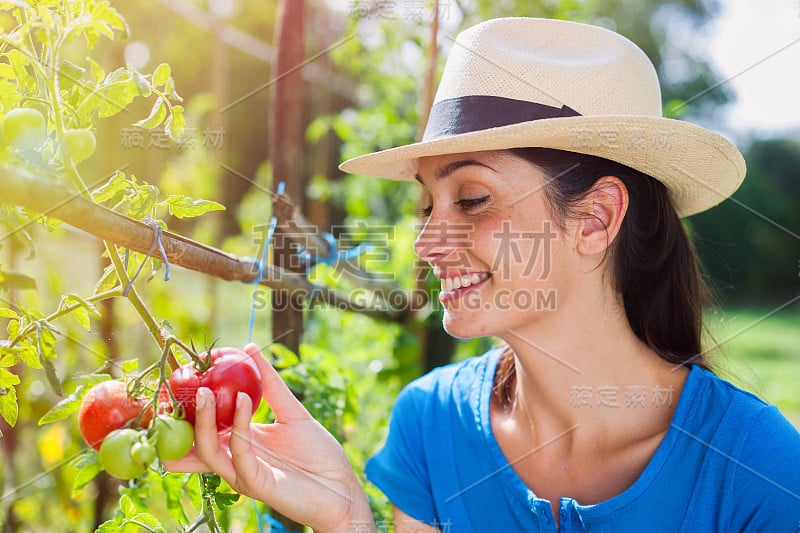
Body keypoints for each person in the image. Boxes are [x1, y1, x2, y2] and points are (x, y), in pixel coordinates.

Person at [167, 17, 800, 532]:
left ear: (596, 218)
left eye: (471, 199)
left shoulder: (758, 468)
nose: (425, 243)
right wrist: (348, 522)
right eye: (426, 205)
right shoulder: (430, 424)